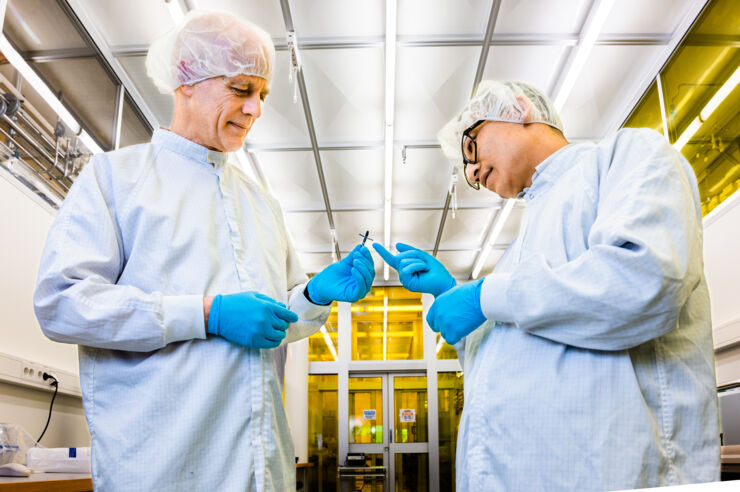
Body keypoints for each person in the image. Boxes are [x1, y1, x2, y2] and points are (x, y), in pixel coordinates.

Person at [33, 11, 374, 491]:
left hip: (260, 470)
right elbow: (62, 304)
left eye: (262, 95)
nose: (255, 109)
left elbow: (270, 324)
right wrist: (205, 314)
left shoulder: (261, 204)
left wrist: (314, 296)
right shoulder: (115, 180)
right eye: (241, 89)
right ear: (187, 79)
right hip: (162, 470)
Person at [374, 80, 720, 490]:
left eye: (471, 146)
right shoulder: (518, 250)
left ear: (519, 109)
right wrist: (456, 298)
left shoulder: (626, 157)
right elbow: (509, 363)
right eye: (465, 169)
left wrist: (486, 295)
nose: (470, 170)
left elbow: (642, 282)